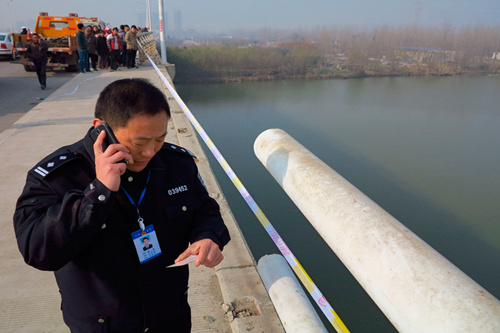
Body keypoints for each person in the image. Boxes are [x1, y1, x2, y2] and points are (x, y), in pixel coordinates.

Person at [13, 78, 231, 333]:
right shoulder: (59, 177)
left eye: (159, 139)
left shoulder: (176, 165)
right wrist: (98, 193)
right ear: (101, 129)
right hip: (104, 325)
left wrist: (208, 237)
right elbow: (37, 250)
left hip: (170, 318)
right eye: (139, 143)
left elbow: (206, 211)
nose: (150, 152)